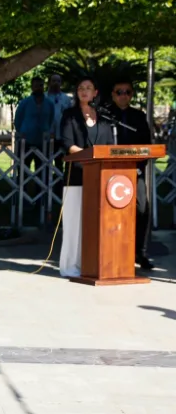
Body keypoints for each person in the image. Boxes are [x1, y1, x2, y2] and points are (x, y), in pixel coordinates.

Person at [58, 78, 112, 278]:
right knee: (74, 225)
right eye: (80, 88)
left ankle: (92, 265)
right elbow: (68, 144)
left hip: (100, 178)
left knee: (95, 225)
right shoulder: (69, 116)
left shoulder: (105, 118)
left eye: (88, 88)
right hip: (77, 176)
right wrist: (91, 157)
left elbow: (109, 147)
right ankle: (70, 266)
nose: (84, 91)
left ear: (95, 92)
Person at [108, 81, 154, 270]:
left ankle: (140, 253)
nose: (123, 95)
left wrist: (137, 165)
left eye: (127, 92)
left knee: (142, 209)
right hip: (110, 173)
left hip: (135, 171)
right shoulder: (106, 115)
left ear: (132, 95)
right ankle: (115, 251)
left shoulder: (138, 116)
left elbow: (147, 145)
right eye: (119, 92)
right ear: (113, 94)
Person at [14, 77, 55, 172]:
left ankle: (40, 187)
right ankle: (22, 187)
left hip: (43, 142)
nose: (38, 88)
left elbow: (51, 119)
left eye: (41, 85)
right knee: (23, 170)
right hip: (25, 141)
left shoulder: (49, 104)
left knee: (42, 170)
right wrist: (22, 132)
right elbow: (17, 120)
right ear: (32, 87)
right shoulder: (24, 103)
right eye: (36, 86)